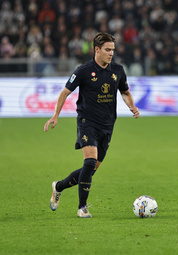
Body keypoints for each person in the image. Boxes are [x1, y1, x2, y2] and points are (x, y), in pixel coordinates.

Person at [44, 32, 140, 218]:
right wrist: (55, 115)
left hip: (108, 125)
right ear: (97, 50)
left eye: (113, 50)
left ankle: (59, 186)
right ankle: (82, 207)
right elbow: (65, 92)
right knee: (89, 161)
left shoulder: (118, 70)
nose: (111, 53)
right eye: (107, 50)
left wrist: (132, 106)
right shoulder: (83, 71)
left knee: (90, 170)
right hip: (87, 122)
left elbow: (125, 92)